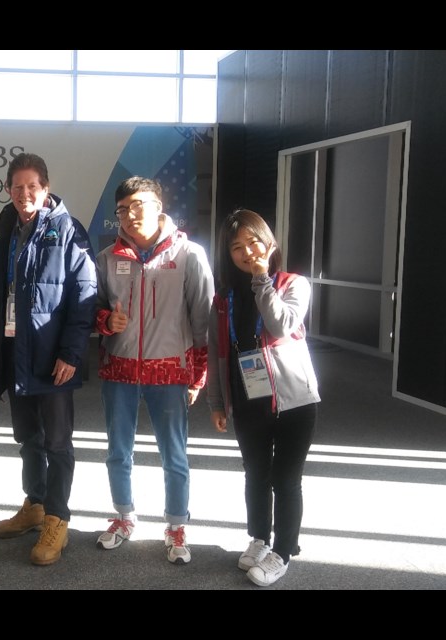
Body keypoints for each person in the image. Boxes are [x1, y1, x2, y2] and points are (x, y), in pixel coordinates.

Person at [93, 177, 214, 564]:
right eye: (123, 210)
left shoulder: (189, 254)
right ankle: (124, 516)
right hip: (120, 369)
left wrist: (198, 373)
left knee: (174, 454)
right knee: (117, 451)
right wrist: (105, 320)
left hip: (170, 370)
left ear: (159, 206)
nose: (130, 216)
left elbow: (203, 319)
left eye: (139, 206)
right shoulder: (107, 258)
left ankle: (176, 525)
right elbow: (92, 309)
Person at [0, 152, 97, 566]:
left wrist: (72, 353)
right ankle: (34, 504)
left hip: (54, 359)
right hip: (18, 353)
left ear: (46, 189)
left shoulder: (69, 230)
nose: (24, 193)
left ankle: (57, 518)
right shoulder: (4, 233)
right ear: (8, 190)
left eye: (32, 186)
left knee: (58, 443)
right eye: (17, 187)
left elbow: (84, 297)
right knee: (27, 438)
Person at [207, 208, 320, 587]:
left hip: (293, 400)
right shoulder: (224, 298)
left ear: (270, 242)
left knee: (285, 478)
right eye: (236, 247)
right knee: (255, 473)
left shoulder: (293, 284)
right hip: (247, 398)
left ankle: (284, 551)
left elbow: (281, 324)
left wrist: (261, 279)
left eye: (253, 242)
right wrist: (217, 402)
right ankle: (259, 537)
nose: (245, 251)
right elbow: (217, 351)